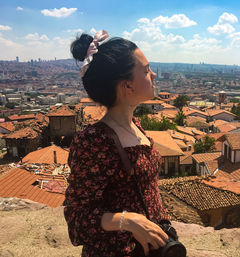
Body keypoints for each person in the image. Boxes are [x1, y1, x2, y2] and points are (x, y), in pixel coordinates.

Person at [63, 30, 169, 257]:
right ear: (127, 86)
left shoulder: (136, 126)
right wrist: (127, 220)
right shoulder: (93, 142)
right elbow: (77, 220)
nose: (154, 75)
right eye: (146, 70)